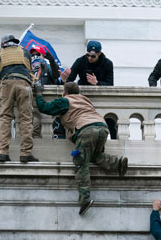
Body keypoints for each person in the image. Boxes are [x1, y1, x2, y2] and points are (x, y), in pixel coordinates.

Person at [35, 81, 128, 214]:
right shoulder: (86, 100)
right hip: (102, 127)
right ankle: (118, 163)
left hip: (86, 130)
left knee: (81, 162)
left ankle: (85, 199)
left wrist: (38, 93)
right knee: (93, 156)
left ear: (65, 92)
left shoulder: (65, 100)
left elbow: (44, 108)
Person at [0, 34, 37, 163]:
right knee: (26, 118)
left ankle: (3, 152)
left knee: (6, 117)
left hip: (6, 83)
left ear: (3, 44)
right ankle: (25, 153)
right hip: (24, 83)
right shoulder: (24, 51)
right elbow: (29, 70)